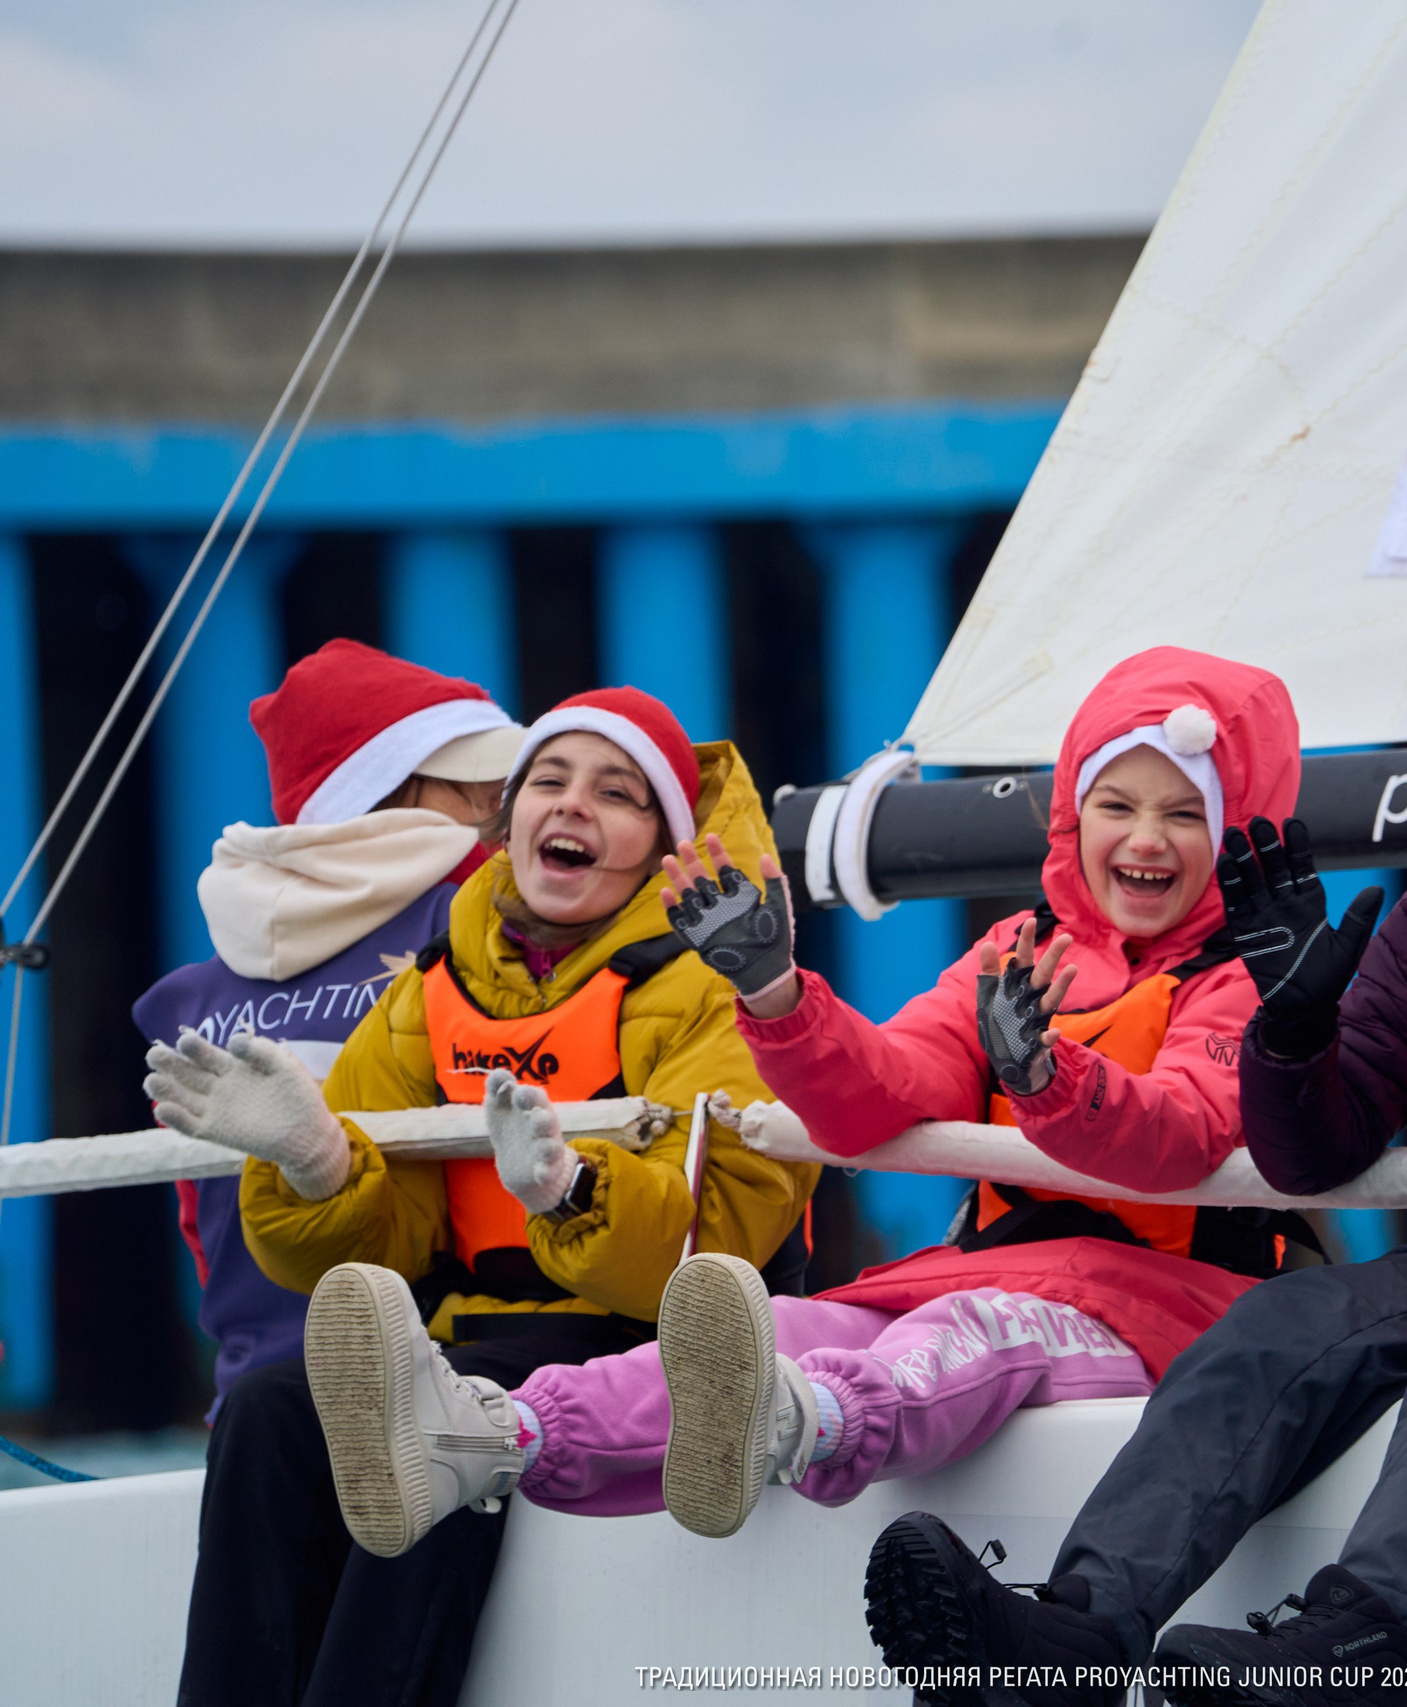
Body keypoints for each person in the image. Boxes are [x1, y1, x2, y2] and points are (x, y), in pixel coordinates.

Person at [864, 580, 1407, 1707]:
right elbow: (1314, 1158)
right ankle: (1076, 1636)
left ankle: (1371, 1641)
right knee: (1280, 1318)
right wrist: (1291, 1031)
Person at [298, 647, 1318, 1547]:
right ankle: (491, 1432)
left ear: (1237, 831)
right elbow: (883, 1098)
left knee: (965, 1340)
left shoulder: (1248, 978)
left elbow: (1182, 1135)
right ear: (1072, 815)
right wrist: (776, 992)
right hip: (990, 1272)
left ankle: (804, 1423)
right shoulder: (1014, 953)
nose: (1146, 837)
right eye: (1117, 805)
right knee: (782, 1325)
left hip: (1164, 1307)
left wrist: (1050, 1077)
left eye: (1185, 813)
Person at [150, 686, 818, 1707]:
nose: (572, 806)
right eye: (547, 780)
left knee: (431, 1419)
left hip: (648, 1339)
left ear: (662, 844)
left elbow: (724, 1228)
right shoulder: (433, 981)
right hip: (476, 1330)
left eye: (617, 792)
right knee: (267, 1410)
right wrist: (313, 1161)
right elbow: (391, 1240)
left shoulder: (713, 986)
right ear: (507, 823)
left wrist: (567, 1188)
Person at [132, 639, 524, 1410]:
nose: (505, 822)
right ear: (397, 790)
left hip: (255, 1398)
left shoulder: (192, 998)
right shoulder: (473, 929)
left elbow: (197, 1223)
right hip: (454, 1387)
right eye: (485, 793)